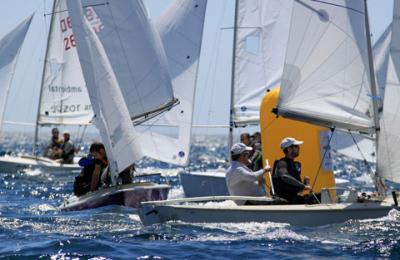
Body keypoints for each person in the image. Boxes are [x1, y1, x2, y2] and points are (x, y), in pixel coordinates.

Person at [272, 137, 314, 204]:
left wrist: (304, 185)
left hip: (293, 199)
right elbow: (284, 176)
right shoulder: (282, 163)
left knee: (316, 197)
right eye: (296, 146)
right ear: (289, 149)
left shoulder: (296, 164)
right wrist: (301, 185)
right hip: (284, 201)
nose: (299, 148)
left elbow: (297, 189)